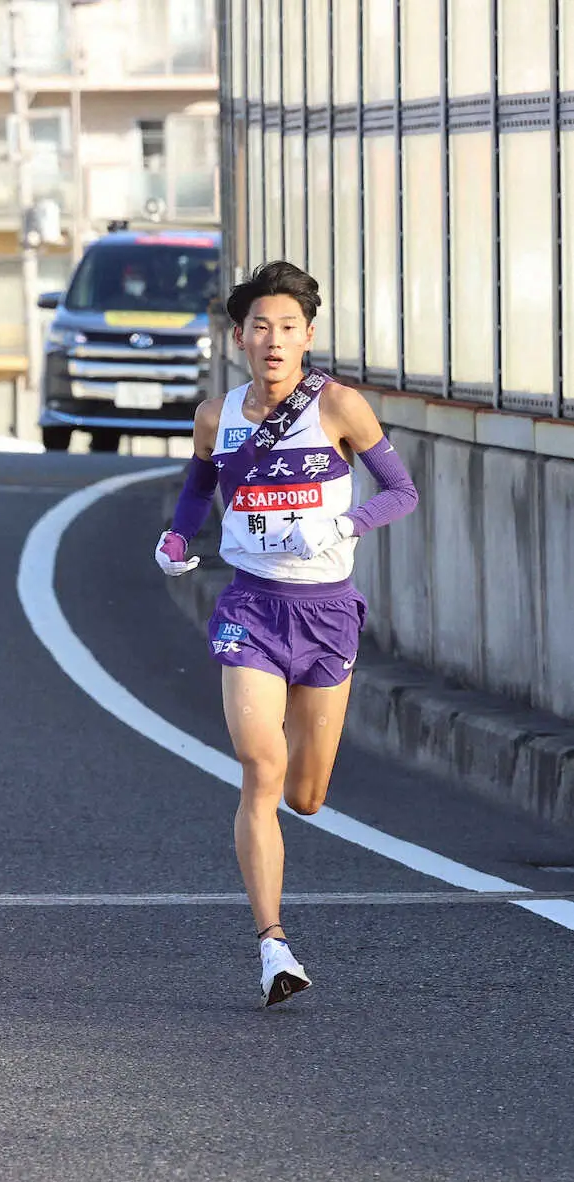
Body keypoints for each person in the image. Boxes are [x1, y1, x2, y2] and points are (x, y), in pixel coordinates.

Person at [155, 261, 418, 1008]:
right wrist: (177, 539)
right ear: (238, 337)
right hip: (251, 607)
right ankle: (272, 946)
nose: (273, 341)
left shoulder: (338, 407)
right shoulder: (216, 414)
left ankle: (291, 817)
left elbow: (401, 491)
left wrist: (347, 520)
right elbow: (200, 482)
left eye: (288, 328)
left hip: (326, 612)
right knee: (258, 767)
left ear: (307, 336)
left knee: (305, 794)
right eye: (259, 327)